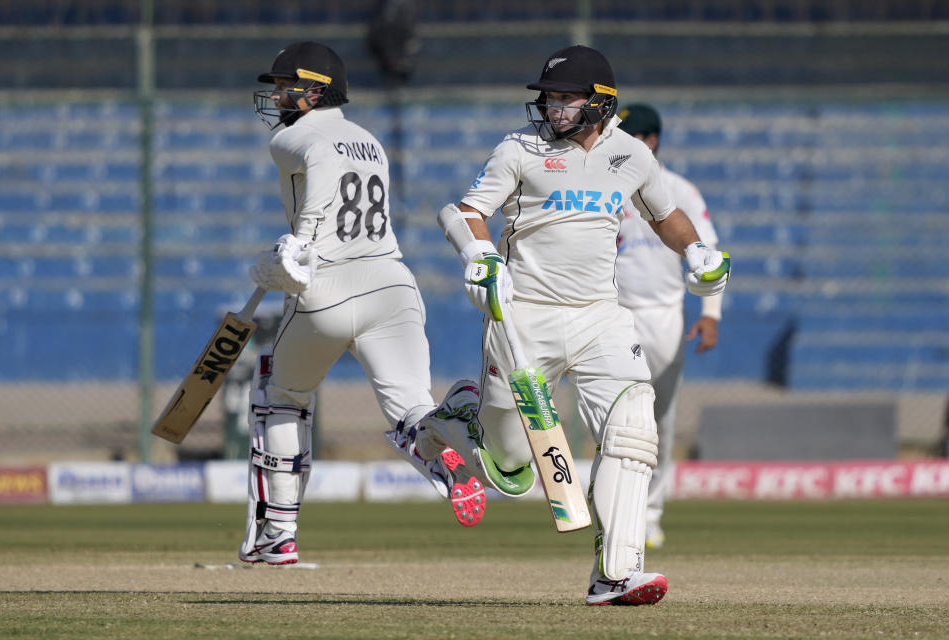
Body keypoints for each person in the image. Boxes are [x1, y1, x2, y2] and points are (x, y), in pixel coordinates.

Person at [413, 45, 729, 605]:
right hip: (524, 318)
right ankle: (458, 417)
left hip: (600, 318)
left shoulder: (631, 154)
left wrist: (697, 252)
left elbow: (666, 214)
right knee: (511, 471)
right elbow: (461, 212)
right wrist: (480, 258)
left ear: (602, 102)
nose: (555, 109)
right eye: (550, 99)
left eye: (567, 99)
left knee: (634, 428)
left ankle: (616, 573)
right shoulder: (520, 147)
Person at [239, 41, 484, 566]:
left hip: (326, 286)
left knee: (281, 397)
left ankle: (275, 534)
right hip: (393, 286)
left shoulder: (289, 138)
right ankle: (448, 450)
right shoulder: (371, 141)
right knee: (410, 410)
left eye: (287, 86)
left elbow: (322, 170)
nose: (278, 95)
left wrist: (300, 242)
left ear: (316, 90)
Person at [615, 104, 724, 550]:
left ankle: (651, 517)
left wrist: (710, 315)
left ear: (651, 141)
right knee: (616, 416)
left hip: (664, 315)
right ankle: (617, 512)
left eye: (629, 136)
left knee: (659, 419)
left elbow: (709, 255)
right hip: (615, 314)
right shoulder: (609, 185)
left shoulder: (680, 190)